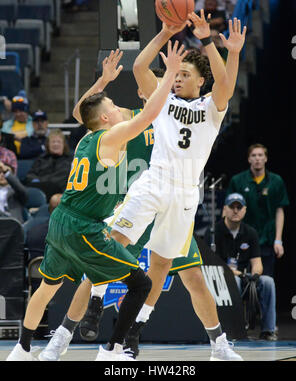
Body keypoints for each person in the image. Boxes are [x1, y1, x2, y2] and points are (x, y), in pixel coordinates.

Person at [39, 70, 242, 362]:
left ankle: (218, 343)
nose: (162, 89)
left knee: (194, 276)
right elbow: (83, 112)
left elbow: (219, 93)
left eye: (166, 85)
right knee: (99, 266)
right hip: (136, 202)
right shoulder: (127, 117)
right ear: (143, 92)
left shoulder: (181, 114)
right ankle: (61, 337)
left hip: (172, 203)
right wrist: (103, 81)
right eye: (156, 85)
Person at [6, 43, 188, 361]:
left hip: (62, 220)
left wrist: (103, 82)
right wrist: (170, 72)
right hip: (84, 226)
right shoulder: (113, 134)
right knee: (140, 284)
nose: (119, 107)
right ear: (106, 117)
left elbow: (82, 112)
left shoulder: (88, 136)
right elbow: (149, 114)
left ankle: (20, 350)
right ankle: (112, 350)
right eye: (114, 105)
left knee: (47, 287)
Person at [109, 7, 246, 351]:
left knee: (162, 264)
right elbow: (140, 67)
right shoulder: (162, 99)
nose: (179, 78)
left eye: (185, 74)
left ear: (201, 81)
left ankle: (136, 330)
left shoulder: (211, 109)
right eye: (177, 74)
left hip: (186, 192)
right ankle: (96, 309)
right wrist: (165, 33)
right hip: (155, 181)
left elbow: (225, 85)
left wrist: (215, 44)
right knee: (114, 241)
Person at [204, 193, 277, 340]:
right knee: (234, 281)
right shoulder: (213, 232)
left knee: (268, 282)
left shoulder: (250, 232)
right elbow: (212, 265)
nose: (235, 211)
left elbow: (257, 264)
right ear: (224, 209)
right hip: (223, 279)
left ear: (245, 210)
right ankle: (234, 329)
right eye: (232, 207)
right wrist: (236, 274)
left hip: (245, 277)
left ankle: (268, 330)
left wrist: (254, 275)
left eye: (239, 207)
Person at [226, 143, 289, 277]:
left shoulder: (276, 181)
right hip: (242, 240)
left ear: (266, 158)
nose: (257, 158)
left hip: (266, 240)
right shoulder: (237, 180)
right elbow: (228, 210)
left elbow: (279, 210)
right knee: (240, 279)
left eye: (260, 155)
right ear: (249, 159)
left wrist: (278, 240)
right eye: (253, 155)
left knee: (265, 281)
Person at [24, 129, 73, 201]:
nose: (56, 144)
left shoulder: (70, 160)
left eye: (59, 142)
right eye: (53, 142)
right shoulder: (41, 159)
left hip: (59, 193)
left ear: (64, 145)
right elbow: (30, 175)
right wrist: (36, 181)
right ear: (48, 144)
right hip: (40, 189)